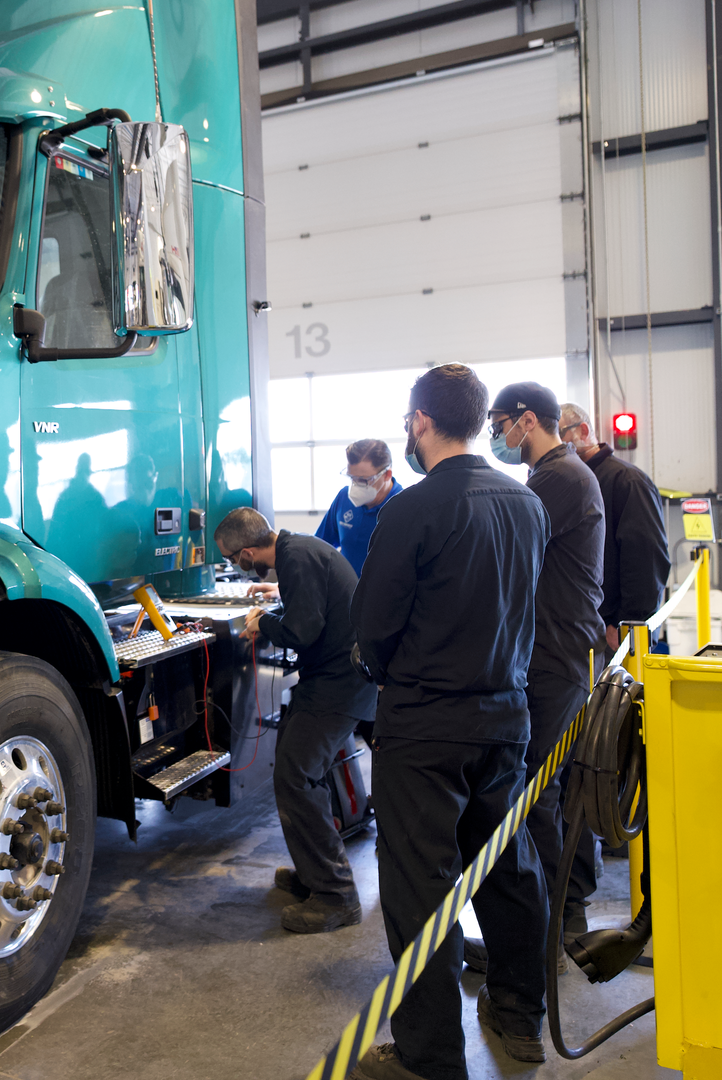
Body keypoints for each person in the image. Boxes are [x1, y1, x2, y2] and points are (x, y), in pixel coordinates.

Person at [348, 364, 550, 1080]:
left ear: (421, 421)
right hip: (505, 717)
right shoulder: (527, 503)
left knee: (420, 890)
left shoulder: (412, 509)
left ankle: (430, 1059)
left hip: (425, 726)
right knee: (508, 868)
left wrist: (388, 672)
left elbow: (374, 628)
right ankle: (520, 1016)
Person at [464, 384, 605, 977]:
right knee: (544, 791)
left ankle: (539, 939)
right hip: (554, 651)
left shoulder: (559, 479)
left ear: (526, 421)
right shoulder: (554, 475)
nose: (497, 436)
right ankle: (554, 923)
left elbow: (502, 548)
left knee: (535, 794)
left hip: (556, 656)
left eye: (498, 424)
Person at [215, 507, 378, 934]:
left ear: (247, 553)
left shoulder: (296, 557)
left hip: (339, 685)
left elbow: (303, 630)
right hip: (332, 680)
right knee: (296, 768)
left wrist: (263, 621)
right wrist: (276, 609)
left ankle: (337, 896)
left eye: (231, 558)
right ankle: (314, 873)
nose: (234, 565)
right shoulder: (296, 551)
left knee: (296, 777)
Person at [559, 403, 670, 650]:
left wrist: (626, 623)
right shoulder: (571, 482)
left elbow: (646, 560)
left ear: (583, 431)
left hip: (615, 634)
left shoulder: (627, 481)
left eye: (558, 434)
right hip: (583, 631)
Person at [315, 439, 403, 575]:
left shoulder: (403, 507)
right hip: (346, 586)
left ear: (387, 475)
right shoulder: (344, 498)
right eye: (352, 478)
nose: (356, 486)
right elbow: (319, 547)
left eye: (363, 480)